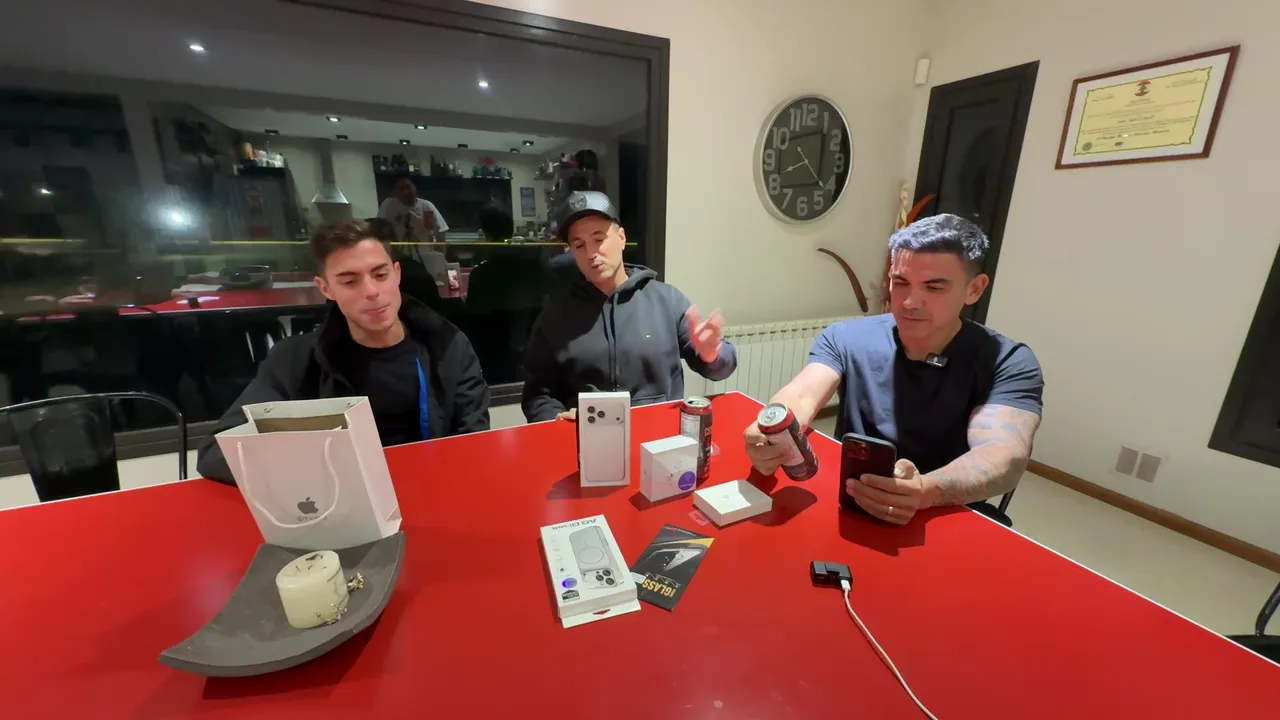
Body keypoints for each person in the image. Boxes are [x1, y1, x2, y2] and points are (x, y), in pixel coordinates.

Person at [743, 214, 1043, 525]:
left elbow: (1002, 455)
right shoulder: (847, 337)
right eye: (900, 283)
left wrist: (926, 490)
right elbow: (802, 395)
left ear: (975, 289)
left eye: (933, 287)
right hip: (852, 500)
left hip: (946, 515)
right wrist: (771, 430)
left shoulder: (1008, 361)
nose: (910, 301)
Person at [196, 218, 490, 484]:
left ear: (397, 274)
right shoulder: (297, 360)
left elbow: (473, 441)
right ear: (325, 288)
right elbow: (215, 453)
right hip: (339, 499)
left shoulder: (446, 345)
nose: (371, 291)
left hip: (433, 488)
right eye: (350, 281)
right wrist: (319, 463)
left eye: (380, 274)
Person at [522, 191, 737, 422]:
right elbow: (537, 394)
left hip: (660, 434)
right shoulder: (555, 316)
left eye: (599, 239)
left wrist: (712, 356)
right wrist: (556, 419)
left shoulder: (666, 300)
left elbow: (721, 369)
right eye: (579, 245)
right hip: (587, 435)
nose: (591, 253)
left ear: (622, 238)